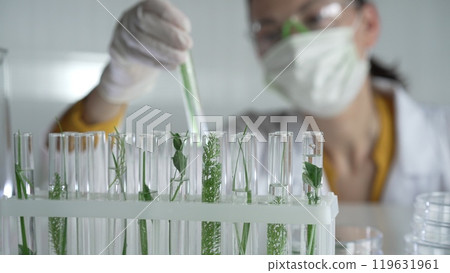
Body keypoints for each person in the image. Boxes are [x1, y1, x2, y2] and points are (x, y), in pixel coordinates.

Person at [53, 0, 450, 204]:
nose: (293, 43)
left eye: (313, 17)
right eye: (269, 30)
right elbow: (64, 185)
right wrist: (115, 88)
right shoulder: (246, 145)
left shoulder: (442, 139)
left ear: (368, 24)